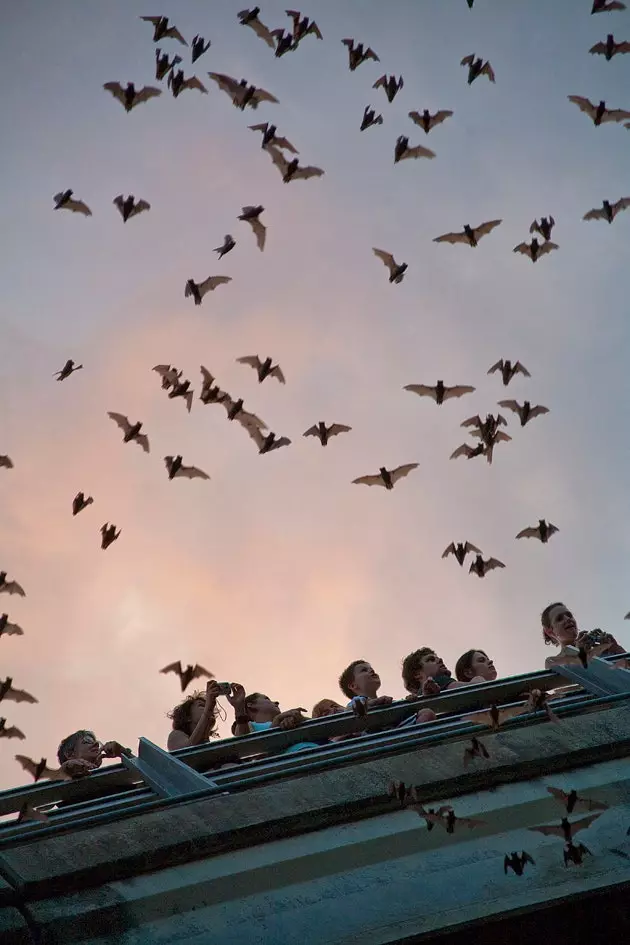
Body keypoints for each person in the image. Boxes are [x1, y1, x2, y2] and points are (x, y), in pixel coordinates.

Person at [339, 659, 435, 724]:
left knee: (426, 713)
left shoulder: (387, 702)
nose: (371, 671)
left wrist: (409, 702)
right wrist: (375, 702)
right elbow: (349, 712)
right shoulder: (357, 700)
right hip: (374, 738)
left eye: (371, 669)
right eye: (364, 670)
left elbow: (402, 712)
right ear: (353, 685)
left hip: (397, 731)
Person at [229, 689, 321, 753]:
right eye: (267, 699)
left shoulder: (288, 718)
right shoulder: (249, 726)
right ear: (251, 705)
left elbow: (322, 728)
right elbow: (241, 743)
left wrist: (301, 719)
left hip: (322, 755)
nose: (277, 702)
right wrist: (239, 708)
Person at [541, 601, 625, 670]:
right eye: (559, 619)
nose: (567, 619)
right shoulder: (552, 661)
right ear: (550, 632)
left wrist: (616, 649)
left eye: (569, 615)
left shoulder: (597, 650)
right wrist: (578, 652)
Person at [167, 680, 220, 750]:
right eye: (202, 706)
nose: (210, 708)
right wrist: (208, 709)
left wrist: (239, 713)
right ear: (188, 717)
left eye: (207, 706)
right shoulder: (175, 735)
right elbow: (187, 752)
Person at [402, 648, 476, 698]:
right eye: (431, 659)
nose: (440, 660)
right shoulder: (439, 680)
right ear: (417, 674)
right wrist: (478, 679)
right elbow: (472, 689)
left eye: (438, 658)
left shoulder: (416, 699)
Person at [56, 730, 132, 779]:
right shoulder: (66, 788)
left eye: (95, 741)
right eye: (88, 741)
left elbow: (142, 773)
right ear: (69, 754)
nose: (96, 744)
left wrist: (124, 753)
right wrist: (67, 767)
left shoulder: (113, 778)